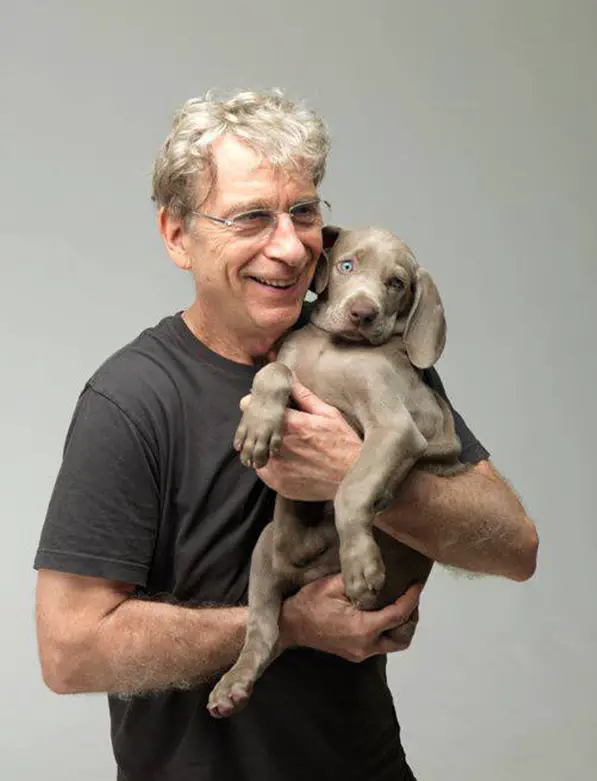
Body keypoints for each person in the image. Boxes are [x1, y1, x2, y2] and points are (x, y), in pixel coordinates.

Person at [33, 90, 538, 781]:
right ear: (177, 235)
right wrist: (287, 625)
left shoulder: (368, 350)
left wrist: (357, 474)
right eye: (250, 217)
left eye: (303, 211)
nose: (288, 243)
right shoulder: (132, 400)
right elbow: (69, 652)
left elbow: (515, 547)